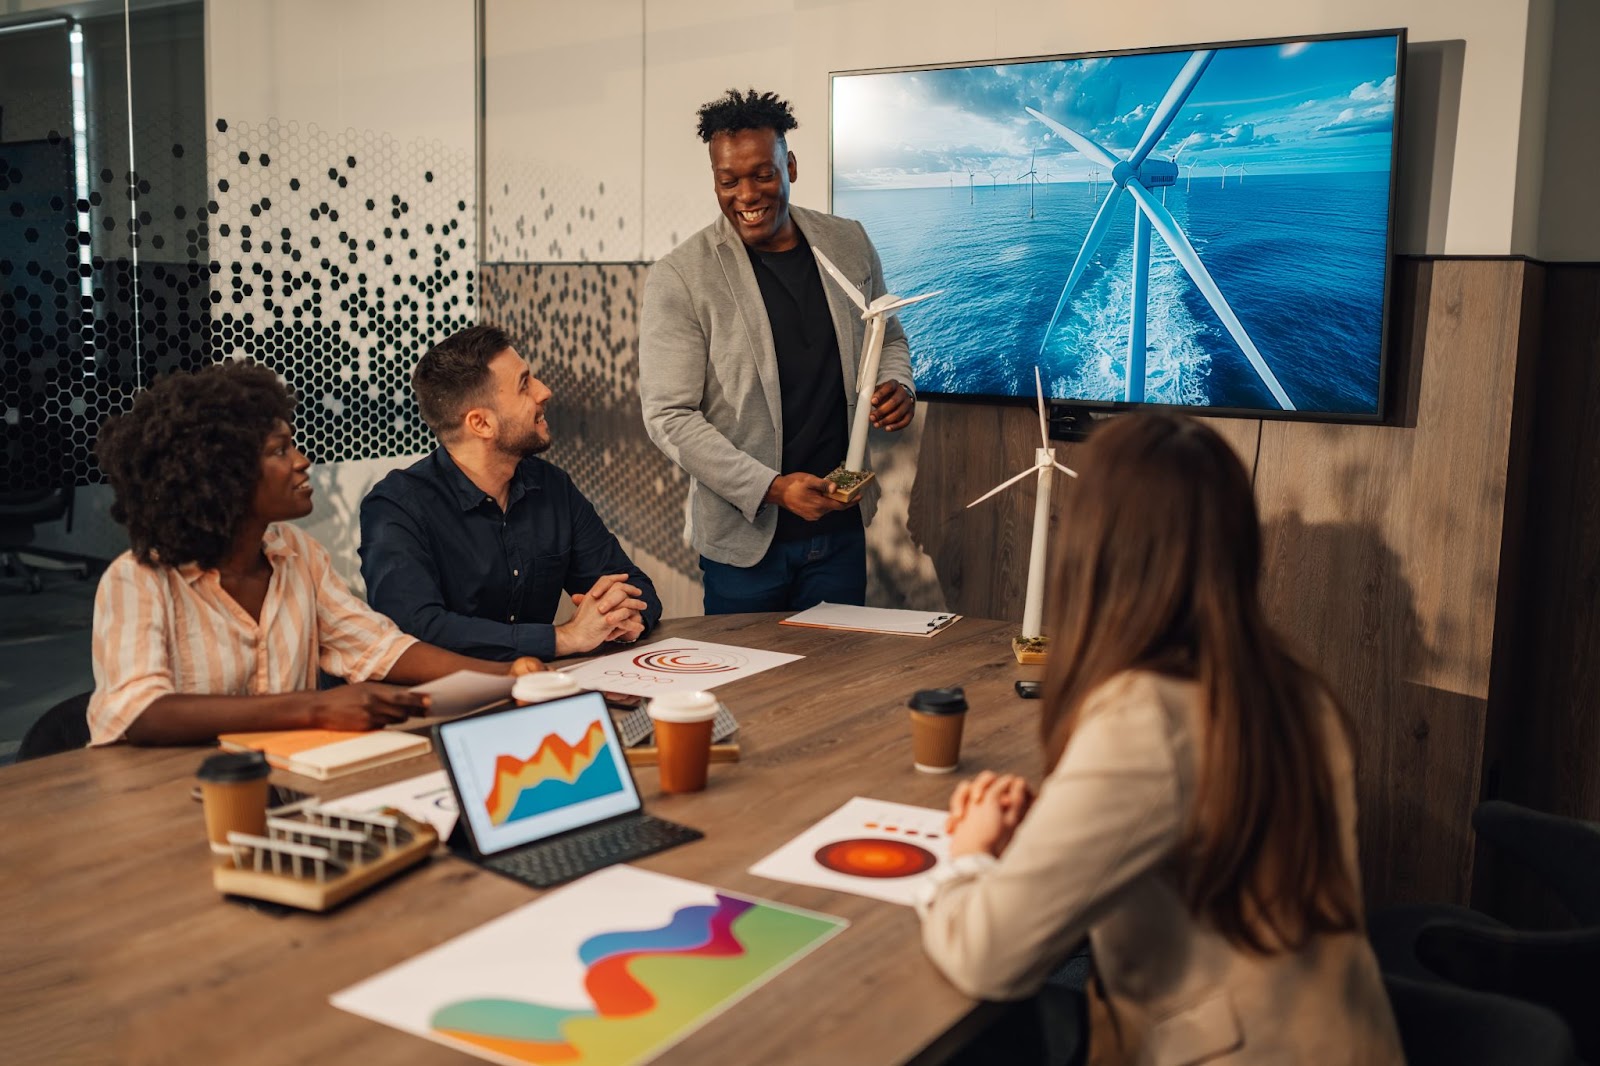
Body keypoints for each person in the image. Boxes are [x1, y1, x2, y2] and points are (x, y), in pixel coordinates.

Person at [918, 413, 1403, 1064]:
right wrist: (1062, 831)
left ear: (1098, 548)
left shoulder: (1144, 717)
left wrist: (969, 856)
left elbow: (986, 956)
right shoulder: (1295, 690)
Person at [88, 361, 543, 747]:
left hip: (286, 777)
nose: (303, 461)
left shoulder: (296, 554)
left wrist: (507, 674)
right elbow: (141, 711)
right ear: (223, 475)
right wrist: (317, 707)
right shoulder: (138, 578)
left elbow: (378, 648)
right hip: (162, 796)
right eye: (280, 451)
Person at [639, 88, 916, 614]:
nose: (747, 194)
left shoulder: (849, 241)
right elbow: (669, 416)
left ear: (789, 165)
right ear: (715, 180)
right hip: (745, 547)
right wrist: (772, 488)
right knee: (747, 695)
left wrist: (899, 383)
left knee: (838, 688)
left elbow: (889, 336)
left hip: (841, 530)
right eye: (729, 181)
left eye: (763, 174)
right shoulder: (680, 276)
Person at [360, 324, 660, 660]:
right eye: (524, 385)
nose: (544, 391)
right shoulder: (395, 507)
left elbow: (632, 582)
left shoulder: (552, 486)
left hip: (540, 693)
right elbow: (416, 630)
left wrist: (626, 617)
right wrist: (563, 638)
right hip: (443, 703)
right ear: (481, 424)